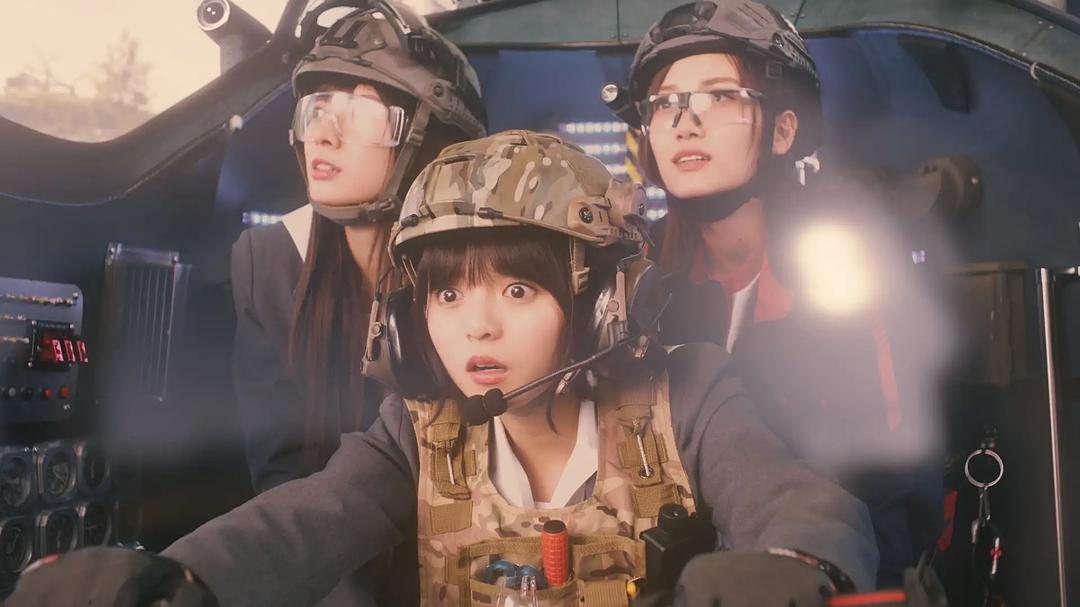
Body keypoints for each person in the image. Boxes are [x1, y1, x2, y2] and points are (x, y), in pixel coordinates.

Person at [7, 130, 878, 607]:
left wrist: (791, 561)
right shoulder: (416, 432)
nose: (476, 326)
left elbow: (797, 499)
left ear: (602, 306)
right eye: (447, 295)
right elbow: (299, 522)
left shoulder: (688, 394)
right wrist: (174, 579)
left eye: (518, 288)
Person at [608, 0, 950, 586]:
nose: (686, 123)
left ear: (785, 129)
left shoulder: (852, 264)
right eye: (665, 104)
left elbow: (898, 481)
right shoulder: (633, 276)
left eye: (720, 96)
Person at [232, 1, 485, 495]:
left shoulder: (487, 269)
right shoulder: (269, 261)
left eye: (362, 115)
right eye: (318, 110)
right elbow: (281, 475)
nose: (324, 136)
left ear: (429, 139)